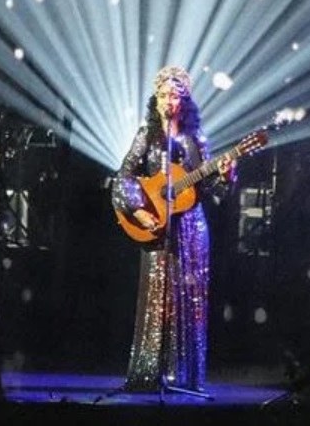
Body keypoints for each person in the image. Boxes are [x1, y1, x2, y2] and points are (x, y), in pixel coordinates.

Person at [111, 65, 236, 392]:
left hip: (192, 229)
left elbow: (212, 190)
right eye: (163, 95)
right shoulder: (147, 136)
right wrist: (139, 211)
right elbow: (123, 178)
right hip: (157, 228)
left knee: (190, 301)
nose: (168, 101)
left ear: (184, 101)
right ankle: (151, 374)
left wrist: (226, 175)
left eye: (175, 96)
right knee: (158, 300)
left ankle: (184, 376)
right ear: (156, 99)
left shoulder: (196, 140)